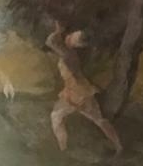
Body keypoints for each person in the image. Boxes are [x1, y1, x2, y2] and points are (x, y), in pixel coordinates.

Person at [46, 20, 122, 153]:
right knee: (99, 120)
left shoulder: (68, 54)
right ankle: (119, 146)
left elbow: (50, 42)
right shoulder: (72, 54)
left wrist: (58, 32)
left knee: (56, 116)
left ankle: (63, 149)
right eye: (71, 35)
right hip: (82, 90)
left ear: (77, 44)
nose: (68, 37)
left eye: (72, 37)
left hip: (75, 92)